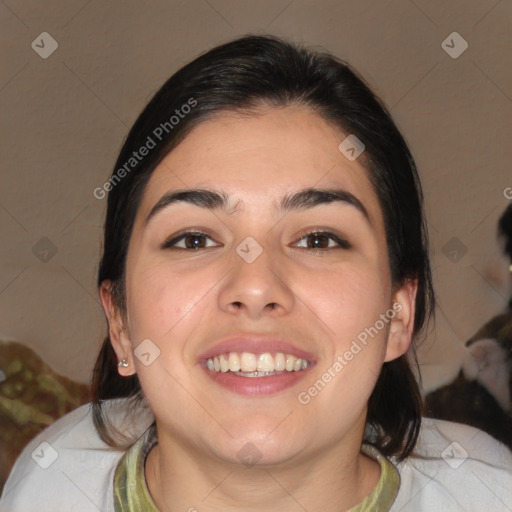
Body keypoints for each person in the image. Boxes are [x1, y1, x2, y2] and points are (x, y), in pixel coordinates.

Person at [1, 34, 511, 512]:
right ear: (121, 323)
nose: (255, 286)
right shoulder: (50, 484)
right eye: (194, 239)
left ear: (398, 314)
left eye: (318, 239)